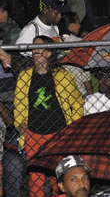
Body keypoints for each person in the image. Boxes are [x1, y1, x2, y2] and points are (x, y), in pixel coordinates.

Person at [14, 37, 83, 196]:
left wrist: (72, 126)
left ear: (50, 51)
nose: (35, 51)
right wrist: (20, 124)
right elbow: (19, 106)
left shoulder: (62, 76)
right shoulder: (25, 76)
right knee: (35, 178)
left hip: (58, 133)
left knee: (58, 176)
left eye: (40, 47)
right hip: (34, 133)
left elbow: (77, 103)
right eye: (33, 47)